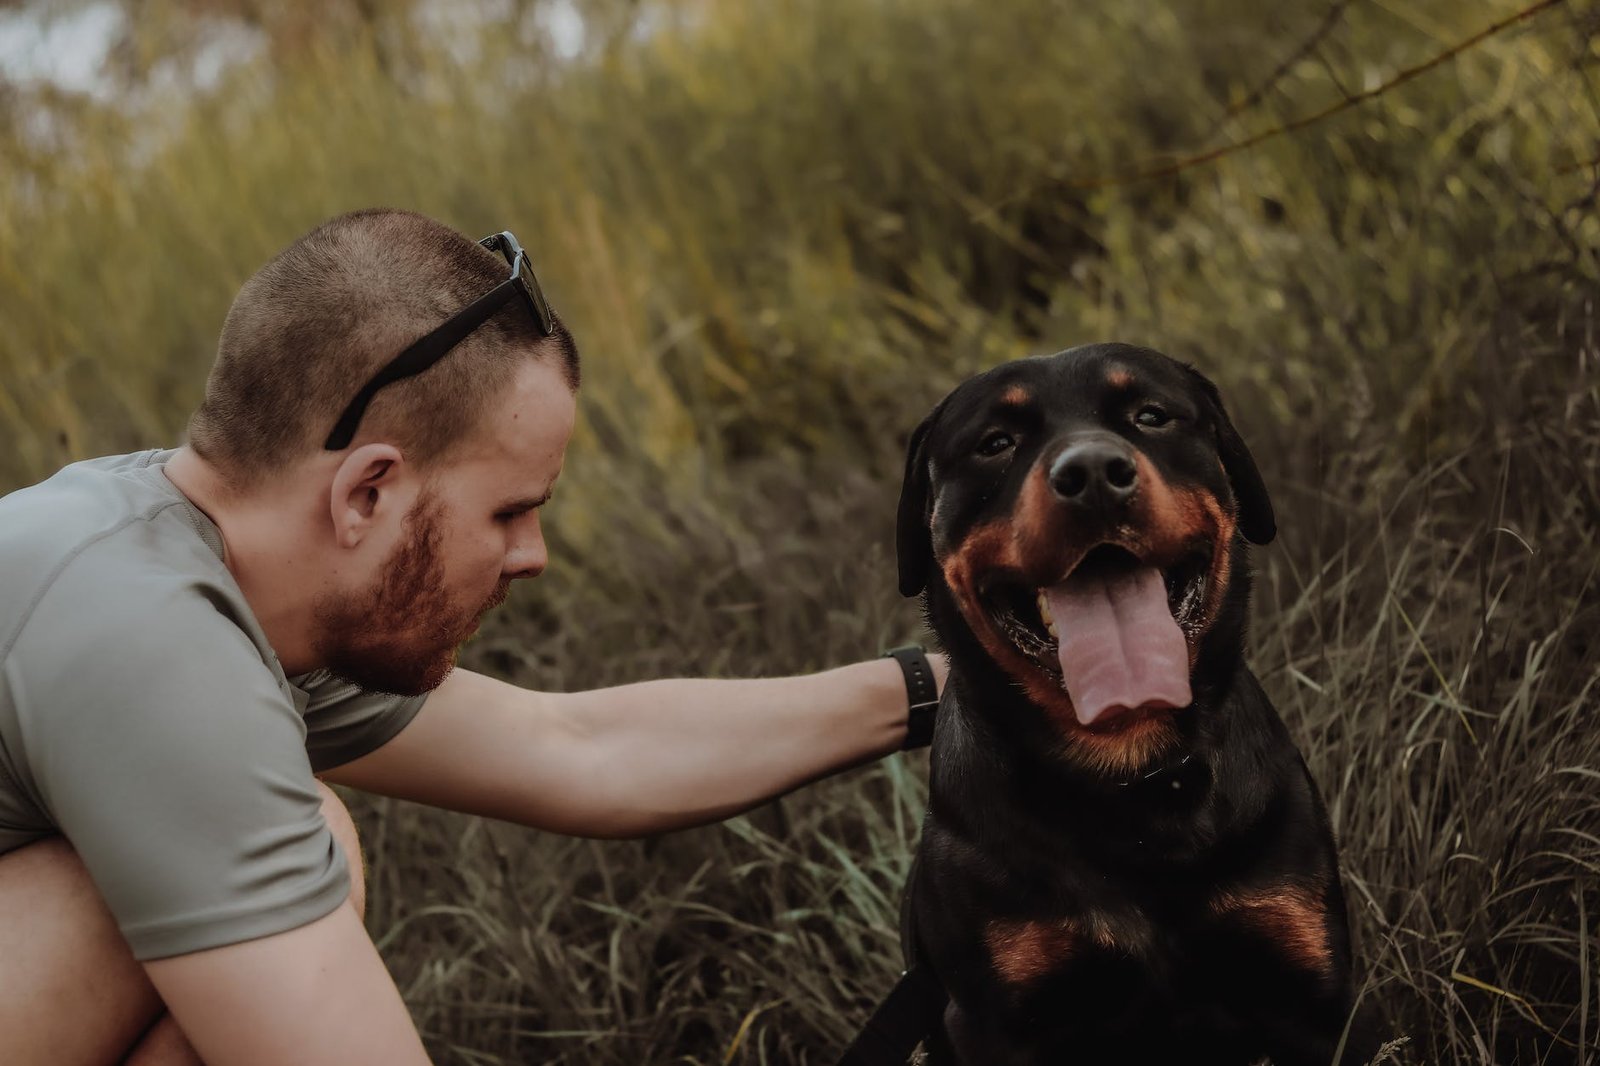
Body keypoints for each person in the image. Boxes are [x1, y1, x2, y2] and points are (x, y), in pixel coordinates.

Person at [0, 208, 943, 1066]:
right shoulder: (154, 654)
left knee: (286, 841)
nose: (532, 555)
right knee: (212, 864)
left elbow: (577, 748)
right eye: (509, 511)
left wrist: (941, 688)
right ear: (367, 491)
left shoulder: (203, 562)